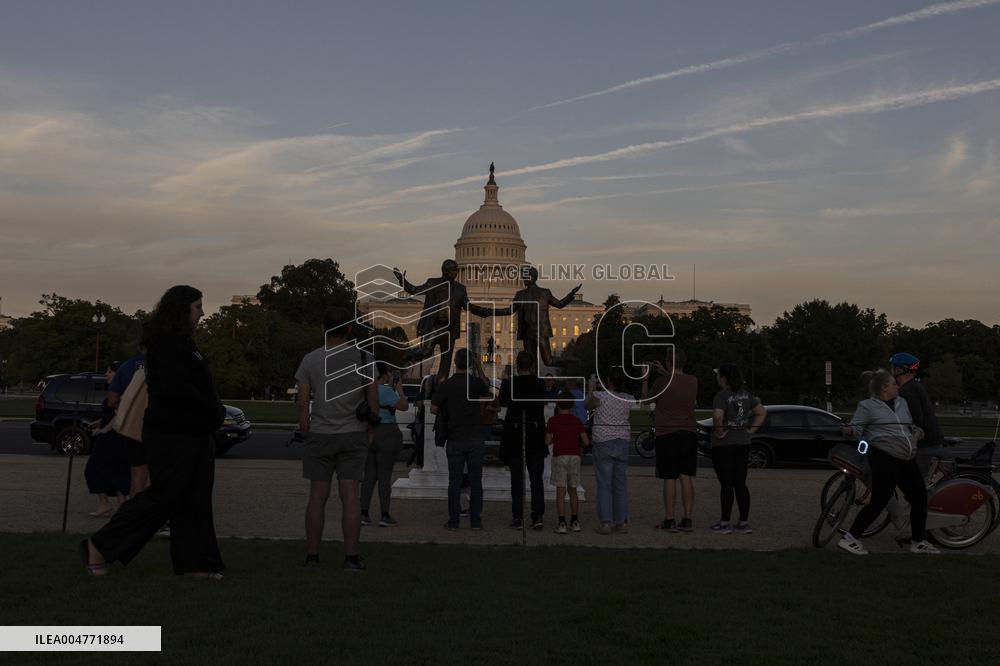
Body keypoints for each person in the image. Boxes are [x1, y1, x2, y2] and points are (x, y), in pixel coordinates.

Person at [83, 286, 226, 577]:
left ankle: (196, 564)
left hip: (194, 433)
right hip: (173, 435)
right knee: (164, 496)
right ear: (181, 309)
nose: (202, 313)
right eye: (198, 306)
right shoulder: (168, 343)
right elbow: (177, 389)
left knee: (194, 499)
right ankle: (99, 546)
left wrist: (213, 412)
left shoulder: (185, 342)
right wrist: (211, 411)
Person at [295, 306, 377, 571]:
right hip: (352, 432)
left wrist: (306, 429)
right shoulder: (364, 358)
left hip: (321, 432)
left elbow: (303, 402)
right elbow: (373, 401)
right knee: (350, 496)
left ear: (323, 328)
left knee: (317, 496)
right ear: (349, 329)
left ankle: (312, 556)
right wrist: (370, 432)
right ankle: (351, 557)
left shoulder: (311, 359)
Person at [838, 370, 939, 555]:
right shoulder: (867, 406)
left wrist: (917, 432)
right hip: (884, 457)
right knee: (880, 500)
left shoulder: (902, 403)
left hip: (906, 458)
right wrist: (849, 431)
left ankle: (918, 542)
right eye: (894, 383)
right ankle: (850, 539)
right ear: (885, 388)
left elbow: (907, 426)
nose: (897, 386)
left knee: (920, 497)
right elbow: (856, 428)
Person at [641, 349, 698, 532]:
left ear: (668, 362)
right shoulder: (693, 381)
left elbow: (645, 401)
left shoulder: (661, 383)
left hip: (667, 434)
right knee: (686, 476)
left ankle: (670, 518)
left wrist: (645, 379)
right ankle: (687, 519)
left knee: (669, 477)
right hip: (688, 433)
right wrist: (666, 372)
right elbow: (677, 383)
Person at [432, 348, 489, 530]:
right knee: (476, 482)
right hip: (475, 436)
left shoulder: (447, 385)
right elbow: (486, 387)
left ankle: (454, 521)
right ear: (470, 363)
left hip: (455, 437)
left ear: (455, 362)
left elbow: (433, 408)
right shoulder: (475, 383)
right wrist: (479, 366)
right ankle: (476, 521)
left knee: (454, 482)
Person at [710, 364, 766, 535]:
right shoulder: (747, 394)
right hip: (743, 443)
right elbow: (761, 412)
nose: (717, 378)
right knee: (740, 483)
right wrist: (751, 431)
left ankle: (725, 523)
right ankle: (743, 522)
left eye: (719, 375)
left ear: (724, 378)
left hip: (724, 445)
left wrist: (719, 432)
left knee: (726, 484)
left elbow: (717, 416)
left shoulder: (721, 395)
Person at [584, 367, 637, 534]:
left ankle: (606, 522)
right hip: (622, 441)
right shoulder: (628, 398)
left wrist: (590, 388)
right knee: (620, 484)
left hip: (603, 441)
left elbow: (587, 406)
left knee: (604, 484)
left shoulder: (600, 396)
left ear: (608, 381)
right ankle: (621, 522)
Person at [499, 351, 548, 530]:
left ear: (517, 366)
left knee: (517, 480)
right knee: (536, 479)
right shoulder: (540, 384)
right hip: (535, 434)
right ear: (532, 366)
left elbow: (502, 401)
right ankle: (538, 515)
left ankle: (518, 517)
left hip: (515, 435)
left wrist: (505, 381)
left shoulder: (510, 384)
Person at [361, 363, 408, 527]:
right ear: (383, 374)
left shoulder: (366, 390)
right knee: (384, 476)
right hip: (387, 432)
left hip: (369, 432)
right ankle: (384, 514)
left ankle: (363, 513)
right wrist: (399, 389)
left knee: (369, 476)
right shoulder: (386, 391)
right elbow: (404, 406)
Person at [84, 362, 130, 517]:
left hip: (114, 438)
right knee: (105, 469)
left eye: (109, 371)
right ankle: (106, 504)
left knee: (107, 469)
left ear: (118, 374)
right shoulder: (113, 390)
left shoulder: (122, 392)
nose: (106, 374)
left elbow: (118, 416)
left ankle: (120, 505)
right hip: (107, 438)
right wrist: (98, 423)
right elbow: (109, 415)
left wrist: (103, 429)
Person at [890, 352, 944, 476]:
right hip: (929, 441)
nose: (891, 370)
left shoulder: (908, 391)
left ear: (899, 370)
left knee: (913, 482)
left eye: (892, 367)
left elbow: (916, 421)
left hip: (923, 446)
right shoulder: (914, 386)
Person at [545, 391, 589, 533]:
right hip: (574, 456)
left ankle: (562, 522)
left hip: (560, 456)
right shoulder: (577, 421)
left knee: (560, 490)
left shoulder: (553, 420)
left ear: (558, 404)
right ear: (572, 405)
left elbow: (547, 441)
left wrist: (555, 439)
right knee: (573, 489)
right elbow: (586, 441)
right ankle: (575, 520)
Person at [109, 349, 149, 495]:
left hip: (133, 427)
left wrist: (125, 407)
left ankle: (137, 506)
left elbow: (112, 400)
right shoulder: (170, 364)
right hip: (160, 427)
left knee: (137, 477)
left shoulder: (126, 367)